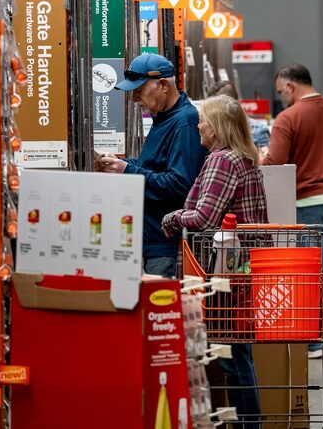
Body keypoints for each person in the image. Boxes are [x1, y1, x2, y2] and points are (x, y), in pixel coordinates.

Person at [162, 95, 267, 429]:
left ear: (218, 127)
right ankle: (251, 422)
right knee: (239, 352)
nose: (198, 126)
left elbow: (205, 218)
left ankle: (250, 424)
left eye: (203, 119)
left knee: (232, 355)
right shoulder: (246, 158)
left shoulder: (222, 161)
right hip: (239, 268)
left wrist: (173, 217)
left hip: (220, 271)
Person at [261, 63, 323, 359]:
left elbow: (275, 162)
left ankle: (315, 342)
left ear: (290, 86)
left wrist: (256, 161)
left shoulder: (287, 118)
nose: (281, 98)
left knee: (308, 275)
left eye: (281, 92)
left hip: (306, 205)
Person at [97, 53, 207, 278]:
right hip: (149, 239)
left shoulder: (184, 122)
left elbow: (180, 183)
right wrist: (120, 164)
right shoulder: (164, 119)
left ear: (164, 85)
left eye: (140, 91)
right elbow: (154, 167)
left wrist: (127, 170)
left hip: (162, 244)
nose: (134, 98)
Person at [210, 80, 271, 150]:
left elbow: (266, 159)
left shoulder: (259, 130)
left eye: (222, 102)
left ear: (235, 101)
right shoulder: (213, 132)